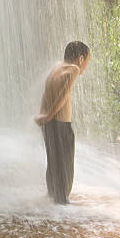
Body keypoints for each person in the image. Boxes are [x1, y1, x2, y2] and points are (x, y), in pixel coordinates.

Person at [34, 41, 91, 204]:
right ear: (81, 59)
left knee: (53, 164)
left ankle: (51, 199)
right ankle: (62, 206)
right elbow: (63, 96)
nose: (85, 66)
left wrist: (43, 116)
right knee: (65, 169)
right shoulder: (74, 69)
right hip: (61, 125)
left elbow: (45, 93)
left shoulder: (56, 68)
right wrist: (49, 115)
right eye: (87, 61)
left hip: (50, 125)